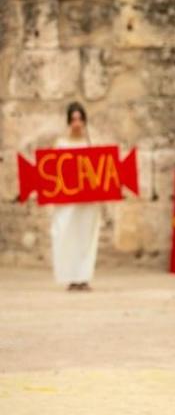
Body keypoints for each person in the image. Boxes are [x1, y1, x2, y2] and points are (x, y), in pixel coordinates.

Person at [51, 102, 100, 292]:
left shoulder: (91, 145)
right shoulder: (61, 145)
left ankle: (84, 277)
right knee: (67, 236)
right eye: (73, 119)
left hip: (88, 202)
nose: (77, 123)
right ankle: (70, 277)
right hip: (67, 203)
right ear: (69, 122)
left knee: (86, 237)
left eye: (80, 119)